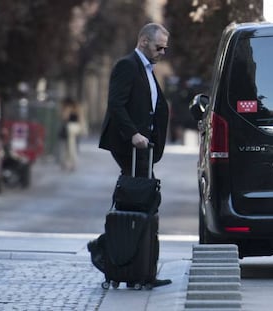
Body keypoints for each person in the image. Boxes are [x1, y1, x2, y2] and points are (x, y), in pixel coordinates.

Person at [96, 23, 171, 287]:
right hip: (130, 146)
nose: (163, 52)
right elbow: (116, 104)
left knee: (138, 201)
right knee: (143, 200)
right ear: (143, 41)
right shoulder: (127, 65)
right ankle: (127, 265)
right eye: (158, 46)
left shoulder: (148, 71)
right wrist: (133, 135)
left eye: (165, 47)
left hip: (144, 147)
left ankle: (135, 268)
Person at [59, 97, 85, 171]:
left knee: (69, 147)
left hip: (70, 129)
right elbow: (81, 119)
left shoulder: (69, 109)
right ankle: (72, 163)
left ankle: (70, 163)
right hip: (75, 129)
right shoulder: (78, 108)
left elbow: (64, 118)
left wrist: (66, 111)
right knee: (72, 147)